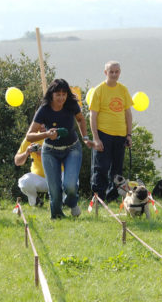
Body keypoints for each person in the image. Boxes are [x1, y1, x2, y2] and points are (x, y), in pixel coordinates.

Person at [26, 79, 93, 219]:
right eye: (58, 94)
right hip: (50, 151)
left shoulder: (72, 105)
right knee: (54, 189)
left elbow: (81, 119)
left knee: (70, 185)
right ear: (51, 94)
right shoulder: (44, 110)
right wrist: (47, 134)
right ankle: (57, 216)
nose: (61, 98)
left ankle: (71, 202)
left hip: (72, 149)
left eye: (64, 94)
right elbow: (29, 136)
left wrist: (85, 137)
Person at [89, 61, 133, 202]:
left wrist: (129, 135)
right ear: (105, 72)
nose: (114, 74)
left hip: (120, 135)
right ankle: (98, 198)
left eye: (116, 72)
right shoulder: (99, 90)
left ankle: (112, 197)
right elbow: (92, 115)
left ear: (120, 72)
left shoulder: (123, 89)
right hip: (103, 134)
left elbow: (128, 113)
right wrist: (96, 138)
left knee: (117, 170)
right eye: (111, 71)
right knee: (101, 168)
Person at [14, 138, 47, 207]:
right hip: (39, 178)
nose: (42, 126)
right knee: (24, 181)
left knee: (71, 180)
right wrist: (26, 153)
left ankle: (64, 201)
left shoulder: (56, 133)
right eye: (40, 125)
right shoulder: (32, 136)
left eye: (44, 125)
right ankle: (35, 201)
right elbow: (17, 161)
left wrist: (43, 152)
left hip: (58, 176)